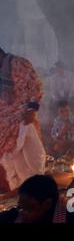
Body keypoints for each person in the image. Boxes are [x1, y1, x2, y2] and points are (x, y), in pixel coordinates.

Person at [0, 47, 42, 192]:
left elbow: (34, 86)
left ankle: (36, 192)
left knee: (32, 158)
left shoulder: (18, 64)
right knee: (11, 163)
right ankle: (19, 196)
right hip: (4, 124)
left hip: (23, 118)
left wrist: (31, 109)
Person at [0, 102, 46, 200]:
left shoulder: (25, 124)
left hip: (22, 130)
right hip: (8, 139)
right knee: (13, 174)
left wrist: (30, 111)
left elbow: (33, 102)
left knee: (29, 172)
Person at [0, 175, 74, 223]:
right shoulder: (14, 216)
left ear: (47, 204)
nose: (21, 213)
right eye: (20, 207)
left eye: (28, 209)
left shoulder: (71, 220)